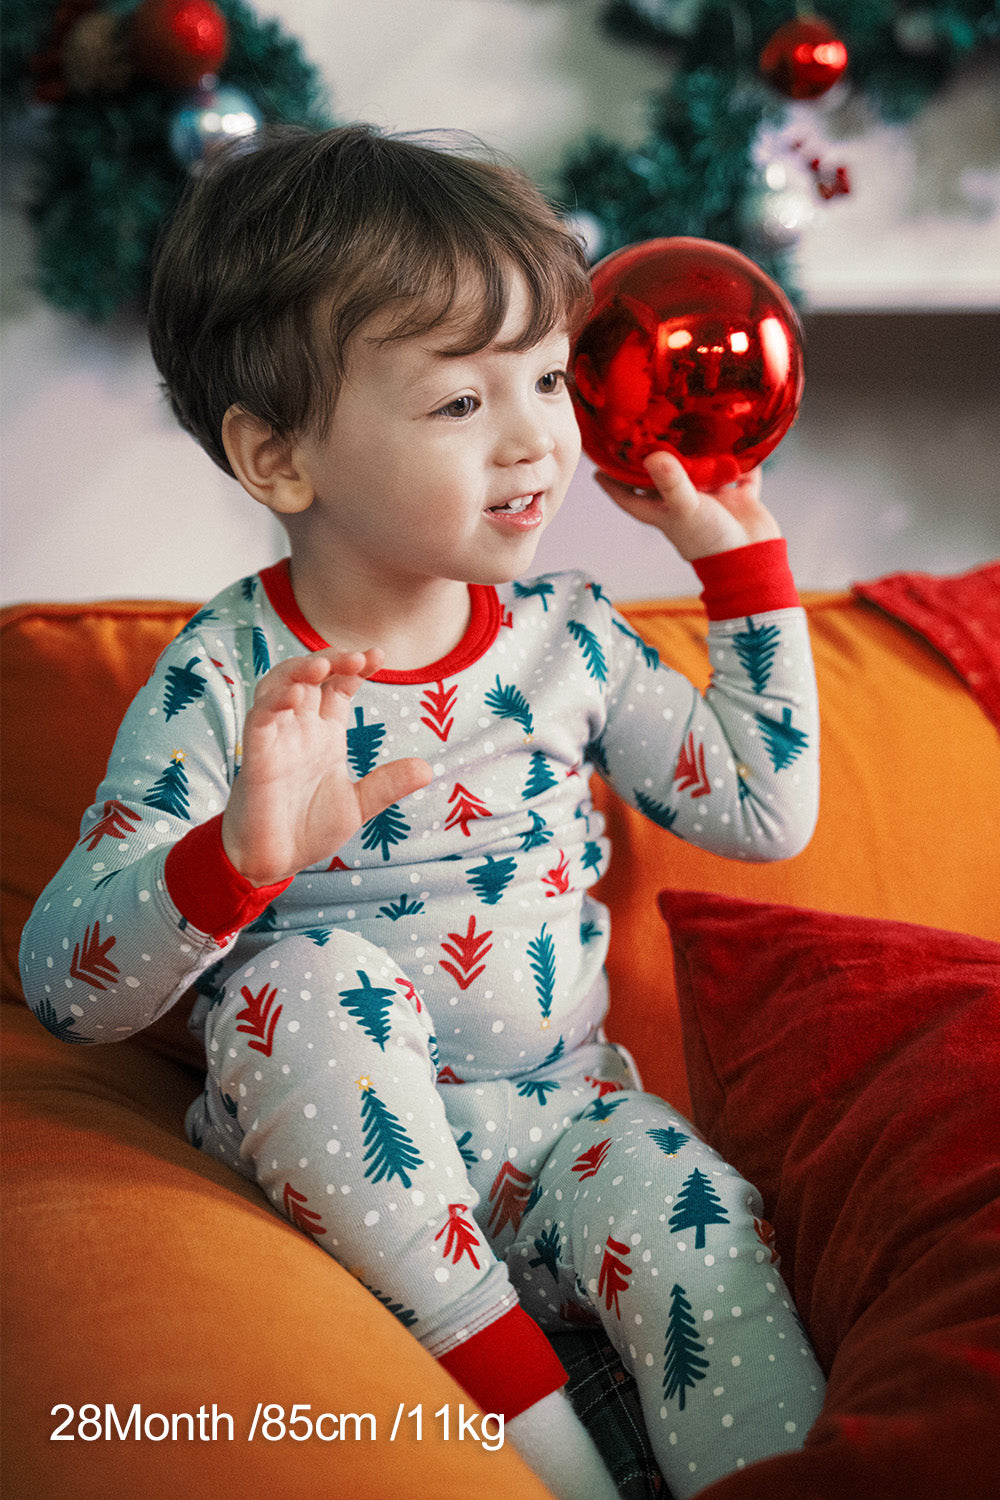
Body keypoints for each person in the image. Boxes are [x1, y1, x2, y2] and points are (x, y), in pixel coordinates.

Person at [20, 124, 825, 1499]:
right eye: (461, 404)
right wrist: (241, 860)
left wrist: (742, 569)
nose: (536, 439)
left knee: (700, 1224)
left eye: (549, 379)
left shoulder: (570, 640)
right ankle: (536, 1428)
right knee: (307, 979)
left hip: (568, 1123)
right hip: (347, 1154)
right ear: (279, 458)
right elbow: (63, 986)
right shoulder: (226, 678)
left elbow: (761, 809)